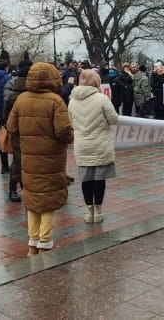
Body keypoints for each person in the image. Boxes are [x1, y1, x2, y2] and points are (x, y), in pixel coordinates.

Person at [6, 63, 73, 254]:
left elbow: (11, 127)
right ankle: (45, 241)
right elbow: (64, 132)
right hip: (51, 160)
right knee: (47, 201)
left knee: (33, 200)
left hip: (28, 158)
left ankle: (33, 242)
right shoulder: (56, 101)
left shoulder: (21, 99)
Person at [68, 69, 118, 224]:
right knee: (99, 180)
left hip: (82, 145)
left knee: (86, 179)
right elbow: (114, 119)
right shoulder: (102, 98)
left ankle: (88, 212)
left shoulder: (72, 100)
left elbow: (71, 123)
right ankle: (98, 212)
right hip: (100, 144)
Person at [3, 59, 32, 203]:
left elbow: (5, 113)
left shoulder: (10, 86)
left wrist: (9, 126)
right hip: (31, 130)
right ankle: (23, 188)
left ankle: (13, 190)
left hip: (16, 131)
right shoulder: (34, 90)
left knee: (17, 160)